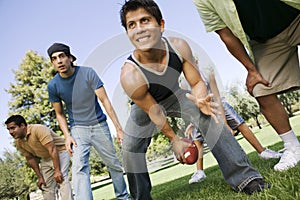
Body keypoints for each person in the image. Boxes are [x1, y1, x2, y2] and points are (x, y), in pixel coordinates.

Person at [119, 0, 270, 199]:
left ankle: (246, 178)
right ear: (128, 33)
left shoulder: (179, 47)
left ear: (161, 25)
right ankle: (141, 197)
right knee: (130, 148)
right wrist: (175, 140)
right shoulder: (129, 75)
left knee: (210, 116)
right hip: (146, 107)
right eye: (132, 25)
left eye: (145, 20)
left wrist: (200, 99)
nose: (139, 29)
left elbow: (196, 81)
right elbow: (154, 111)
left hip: (175, 94)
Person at [193, 0, 300, 171]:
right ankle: (293, 146)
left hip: (296, 16)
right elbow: (226, 35)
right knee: (261, 90)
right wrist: (251, 70)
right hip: (266, 41)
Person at [47, 43, 130, 200]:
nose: (59, 61)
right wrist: (67, 136)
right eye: (54, 58)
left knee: (114, 164)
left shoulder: (87, 73)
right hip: (78, 129)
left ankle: (123, 197)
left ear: (70, 58)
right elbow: (59, 114)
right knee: (79, 168)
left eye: (62, 56)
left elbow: (105, 101)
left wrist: (118, 129)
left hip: (99, 125)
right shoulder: (53, 86)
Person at [5, 115, 73, 200]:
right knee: (45, 185)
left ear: (22, 125)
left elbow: (52, 149)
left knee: (61, 178)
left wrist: (57, 171)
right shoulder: (18, 142)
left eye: (12, 128)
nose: (10, 132)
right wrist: (40, 177)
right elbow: (30, 159)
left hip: (60, 152)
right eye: (9, 129)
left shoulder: (38, 129)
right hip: (45, 158)